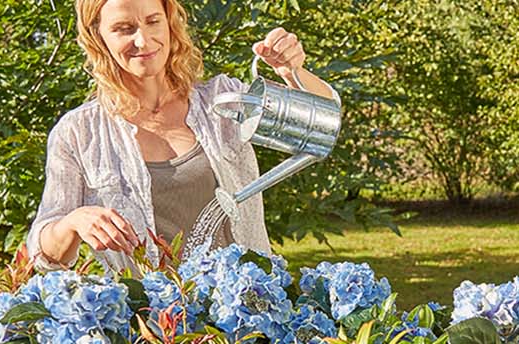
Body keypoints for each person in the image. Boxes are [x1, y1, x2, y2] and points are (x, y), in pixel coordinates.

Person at [23, 0, 336, 274]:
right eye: (123, 28)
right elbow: (44, 255)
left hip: (244, 318)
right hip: (152, 326)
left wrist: (291, 71)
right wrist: (74, 222)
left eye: (152, 21)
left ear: (169, 22)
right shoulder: (80, 132)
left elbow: (323, 127)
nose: (143, 40)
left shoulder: (223, 102)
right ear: (98, 37)